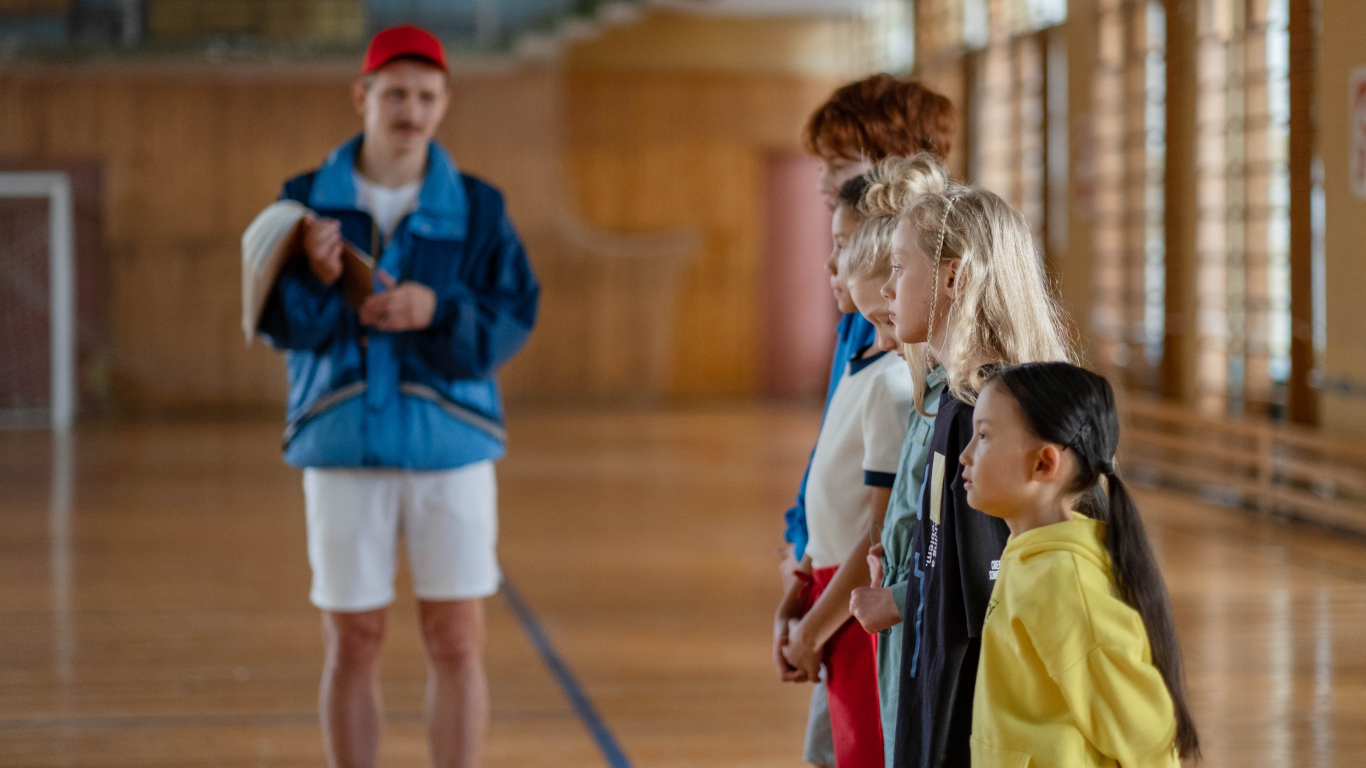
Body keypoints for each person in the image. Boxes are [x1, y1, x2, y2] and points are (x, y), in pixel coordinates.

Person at [255, 25, 539, 768]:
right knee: (352, 641)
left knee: (456, 639)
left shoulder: (480, 207)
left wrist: (436, 310)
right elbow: (283, 328)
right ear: (363, 96)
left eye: (424, 95)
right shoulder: (301, 203)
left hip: (452, 450)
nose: (409, 109)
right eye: (394, 93)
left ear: (444, 103)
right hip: (343, 444)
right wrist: (318, 281)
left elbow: (511, 318)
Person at [782, 75, 958, 768]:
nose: (823, 180)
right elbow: (831, 445)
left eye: (840, 162)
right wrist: (800, 557)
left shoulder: (911, 354)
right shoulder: (863, 334)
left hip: (873, 597)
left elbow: (892, 518)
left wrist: (823, 617)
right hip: (834, 581)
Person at [878, 180, 1072, 768]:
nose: (887, 289)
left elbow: (986, 588)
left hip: (973, 711)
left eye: (899, 268)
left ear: (955, 279)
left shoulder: (984, 416)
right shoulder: (958, 405)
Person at [961, 362, 1200, 767]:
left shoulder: (1064, 581)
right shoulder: (1031, 555)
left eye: (983, 436)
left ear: (1044, 463)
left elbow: (1147, 734)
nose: (966, 454)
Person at [773, 204, 917, 768]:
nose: (829, 264)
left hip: (856, 598)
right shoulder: (860, 368)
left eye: (886, 321)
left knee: (864, 751)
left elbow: (877, 528)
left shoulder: (891, 385)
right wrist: (803, 581)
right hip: (832, 586)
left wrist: (815, 624)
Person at [835, 155, 950, 768]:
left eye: (883, 316)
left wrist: (903, 594)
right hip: (902, 623)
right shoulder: (922, 390)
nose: (880, 336)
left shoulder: (952, 403)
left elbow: (976, 557)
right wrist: (893, 559)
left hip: (926, 635)